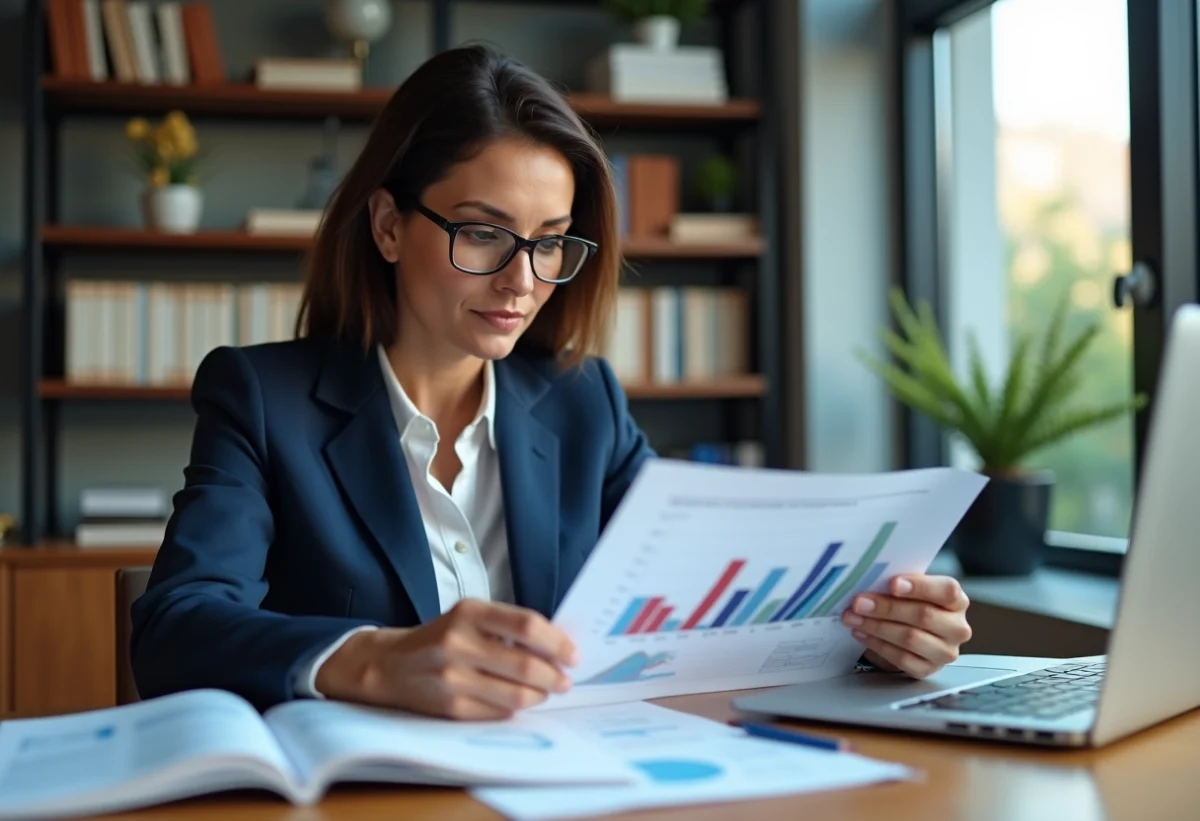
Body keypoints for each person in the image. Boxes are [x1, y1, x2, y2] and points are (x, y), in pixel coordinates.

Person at [129, 44, 972, 720]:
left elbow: (706, 605)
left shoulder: (584, 405)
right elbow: (176, 627)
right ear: (389, 225)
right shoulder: (263, 399)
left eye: (551, 241)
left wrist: (874, 632)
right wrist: (375, 658)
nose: (523, 281)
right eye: (484, 234)